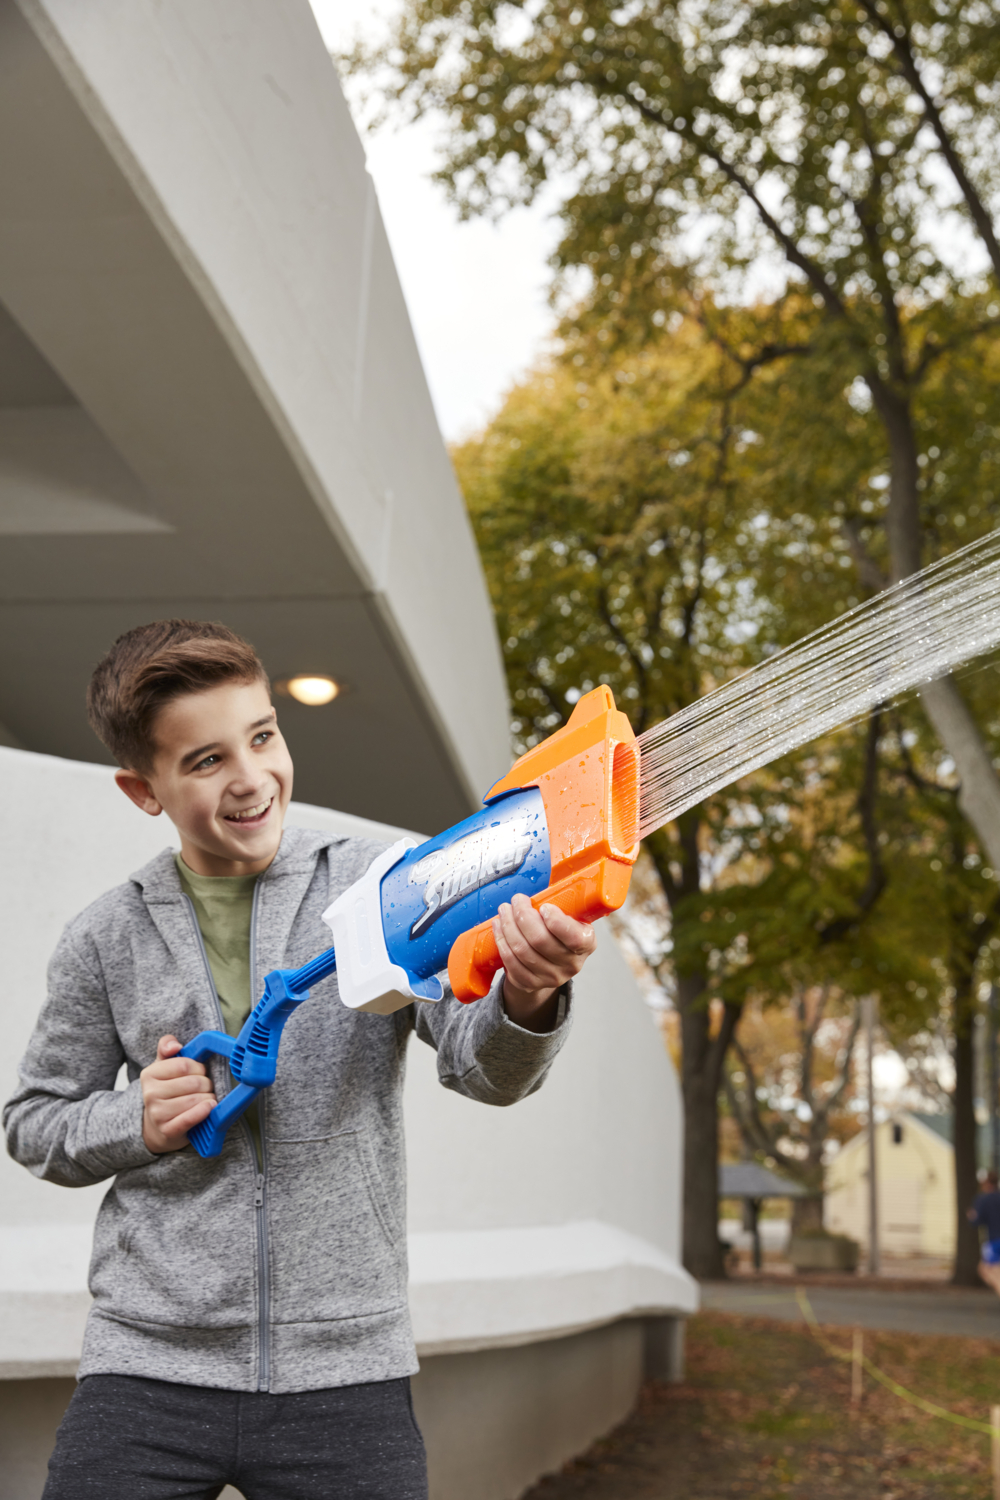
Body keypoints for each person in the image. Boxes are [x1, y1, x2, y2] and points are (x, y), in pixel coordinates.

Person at [4, 619, 596, 1500]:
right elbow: (32, 1123)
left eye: (262, 737)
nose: (250, 779)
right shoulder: (104, 937)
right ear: (143, 790)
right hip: (148, 1366)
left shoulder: (385, 886)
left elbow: (483, 1071)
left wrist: (528, 997)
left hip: (347, 1369)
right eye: (206, 761)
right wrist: (135, 1118)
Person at [967, 1170, 1000, 1295]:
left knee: (987, 1270)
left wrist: (971, 1215)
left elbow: (975, 1222)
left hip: (993, 1241)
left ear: (986, 1183)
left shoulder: (983, 1199)